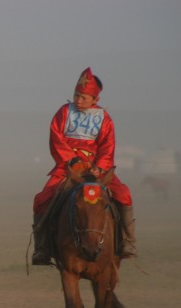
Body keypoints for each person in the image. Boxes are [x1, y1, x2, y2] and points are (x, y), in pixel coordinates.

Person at [32, 67, 137, 265]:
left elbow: (108, 145)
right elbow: (56, 138)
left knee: (123, 194)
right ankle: (42, 247)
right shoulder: (64, 112)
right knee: (42, 199)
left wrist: (100, 166)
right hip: (68, 168)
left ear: (94, 100)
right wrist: (71, 160)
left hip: (96, 168)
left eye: (83, 97)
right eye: (76, 96)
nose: (78, 100)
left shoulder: (104, 118)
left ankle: (127, 242)